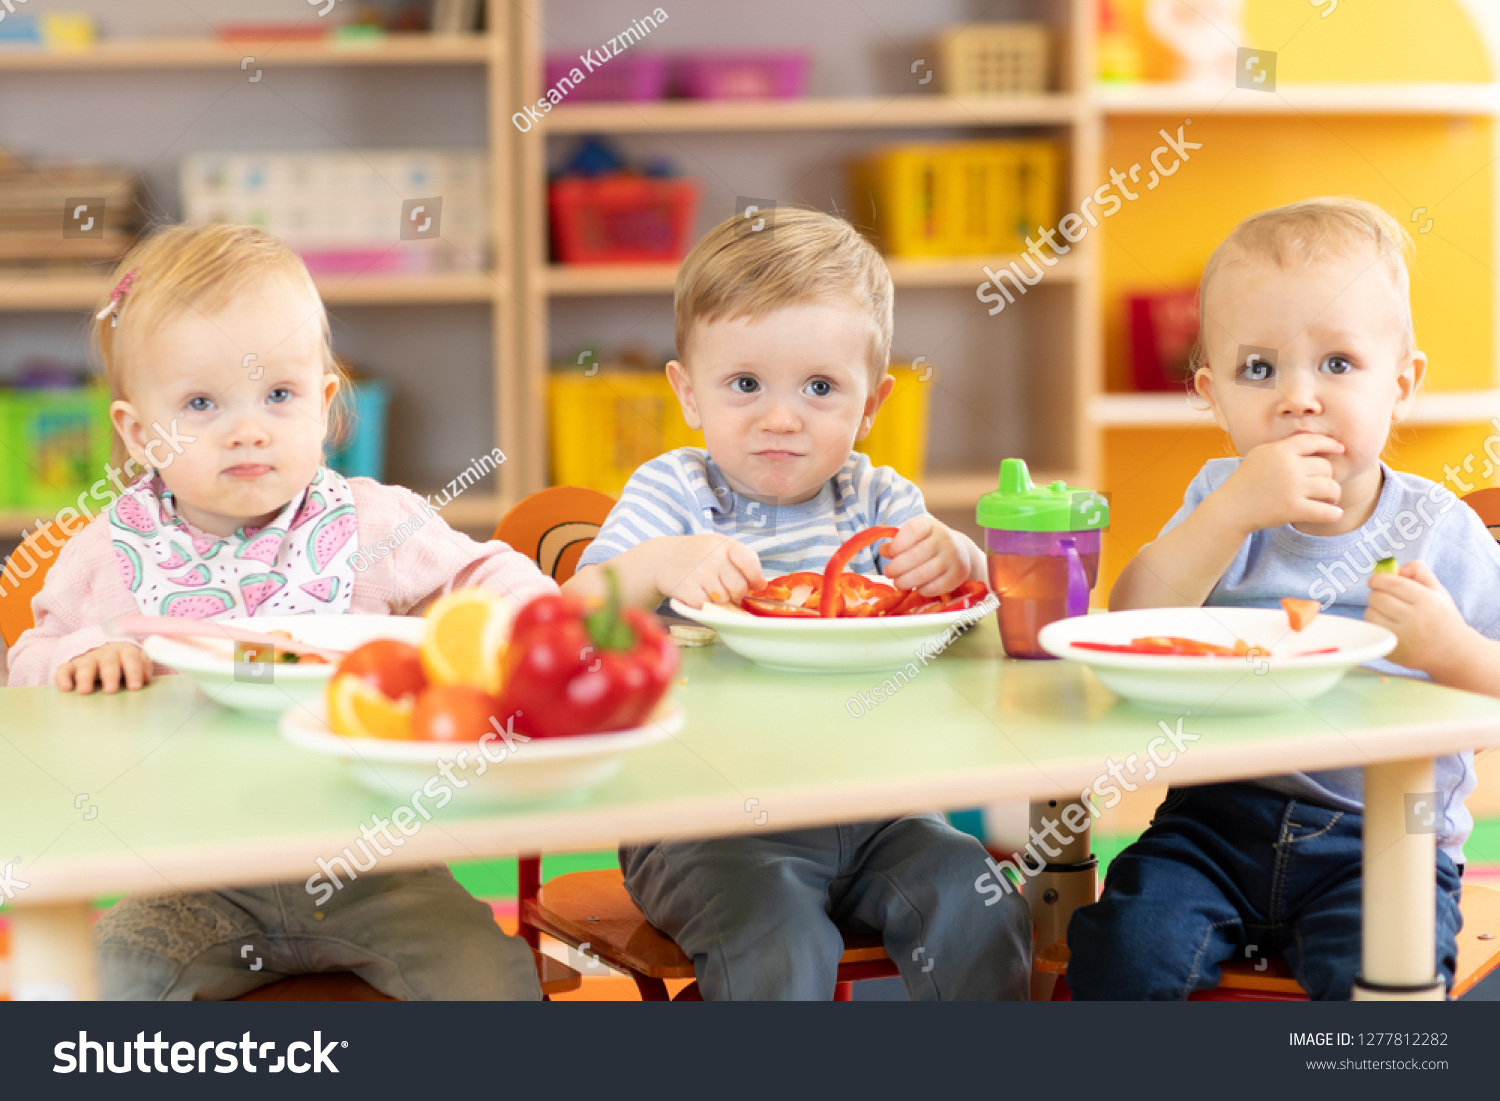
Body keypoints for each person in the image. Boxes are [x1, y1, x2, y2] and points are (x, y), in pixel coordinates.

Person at [8, 223, 555, 1000]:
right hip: (186, 878)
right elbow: (28, 662)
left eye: (279, 394)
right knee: (96, 985)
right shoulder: (106, 552)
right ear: (138, 431)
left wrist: (527, 624)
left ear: (325, 404)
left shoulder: (372, 523)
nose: (248, 428)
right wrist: (79, 655)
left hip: (378, 865)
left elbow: (492, 575)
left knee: (491, 980)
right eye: (201, 403)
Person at [564, 207, 1031, 1000]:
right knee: (779, 937)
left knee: (979, 901)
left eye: (820, 387)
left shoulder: (879, 496)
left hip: (880, 809)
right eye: (745, 384)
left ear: (873, 404)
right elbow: (573, 618)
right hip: (702, 824)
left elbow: (991, 630)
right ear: (687, 392)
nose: (781, 416)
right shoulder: (673, 492)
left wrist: (963, 563)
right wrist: (657, 563)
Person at [1068, 196, 1500, 999]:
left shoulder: (1438, 529)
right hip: (1212, 824)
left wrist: (1449, 647)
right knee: (1123, 949)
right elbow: (1124, 623)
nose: (1297, 397)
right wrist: (1229, 512)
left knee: (1381, 983)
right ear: (1214, 394)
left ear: (1401, 385)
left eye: (1337, 364)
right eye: (1258, 369)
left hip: (1385, 843)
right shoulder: (1217, 499)